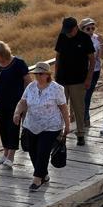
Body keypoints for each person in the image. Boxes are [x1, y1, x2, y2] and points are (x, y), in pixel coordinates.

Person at [14, 62, 70, 191]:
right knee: (33, 151)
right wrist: (17, 113)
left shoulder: (57, 89)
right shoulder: (31, 87)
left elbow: (63, 107)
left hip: (51, 125)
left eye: (40, 73)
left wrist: (67, 125)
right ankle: (43, 175)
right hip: (32, 124)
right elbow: (22, 102)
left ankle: (37, 179)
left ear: (47, 74)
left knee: (43, 151)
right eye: (36, 74)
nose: (37, 76)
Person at [0, 41, 30, 169]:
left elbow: (28, 81)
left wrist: (26, 100)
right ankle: (5, 153)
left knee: (13, 128)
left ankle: (11, 155)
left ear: (2, 53)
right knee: (3, 128)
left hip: (16, 102)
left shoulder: (18, 63)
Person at [54, 17, 95, 146]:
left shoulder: (85, 38)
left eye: (70, 31)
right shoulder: (62, 37)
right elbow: (58, 57)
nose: (68, 33)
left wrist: (89, 78)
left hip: (78, 80)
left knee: (79, 108)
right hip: (62, 79)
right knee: (60, 107)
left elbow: (92, 60)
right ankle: (59, 133)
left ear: (76, 28)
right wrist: (56, 76)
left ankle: (81, 133)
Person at [78, 19, 103, 126]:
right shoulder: (77, 39)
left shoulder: (97, 39)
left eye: (93, 28)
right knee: (79, 96)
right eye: (88, 29)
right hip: (80, 71)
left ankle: (85, 119)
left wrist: (102, 43)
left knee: (87, 96)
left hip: (94, 71)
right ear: (82, 29)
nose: (91, 31)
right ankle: (79, 119)